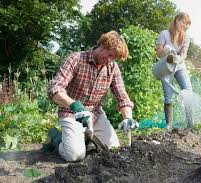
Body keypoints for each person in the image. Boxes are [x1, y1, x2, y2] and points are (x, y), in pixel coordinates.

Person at [47, 30, 138, 162]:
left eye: (114, 58)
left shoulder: (112, 67)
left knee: (112, 147)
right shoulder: (76, 59)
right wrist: (74, 105)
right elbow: (54, 89)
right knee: (75, 156)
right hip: (72, 113)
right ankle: (57, 139)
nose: (110, 60)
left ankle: (83, 138)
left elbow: (122, 96)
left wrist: (128, 118)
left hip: (95, 113)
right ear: (103, 46)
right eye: (109, 55)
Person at [155, 12, 194, 130]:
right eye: (184, 22)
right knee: (168, 97)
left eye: (187, 24)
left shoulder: (186, 37)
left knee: (188, 91)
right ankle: (169, 126)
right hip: (166, 67)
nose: (185, 26)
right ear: (177, 20)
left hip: (179, 66)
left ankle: (190, 124)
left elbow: (184, 53)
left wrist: (179, 58)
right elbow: (158, 51)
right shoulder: (164, 34)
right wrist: (166, 52)